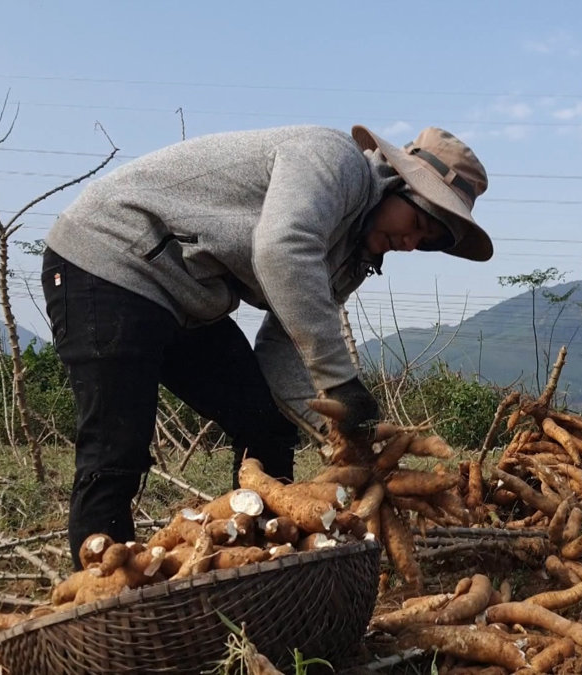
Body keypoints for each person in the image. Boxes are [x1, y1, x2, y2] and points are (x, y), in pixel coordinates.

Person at [40, 124, 492, 568]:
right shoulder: (333, 161)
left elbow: (282, 344)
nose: (410, 244)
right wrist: (341, 382)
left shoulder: (351, 257)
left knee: (266, 423)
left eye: (425, 243)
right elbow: (282, 249)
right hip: (109, 258)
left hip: (182, 299)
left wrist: (337, 432)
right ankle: (104, 591)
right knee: (116, 447)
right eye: (416, 224)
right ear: (395, 182)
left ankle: (260, 557)